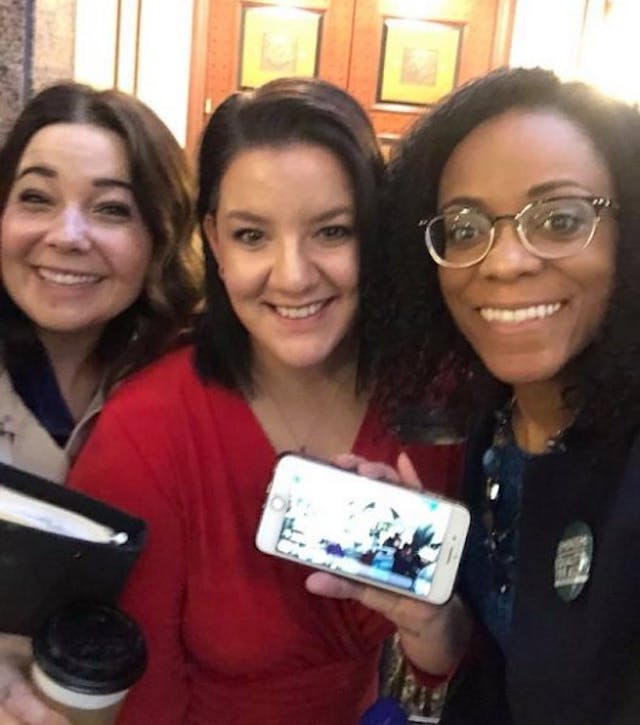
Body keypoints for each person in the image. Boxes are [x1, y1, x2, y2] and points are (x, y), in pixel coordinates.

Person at [68, 77, 468, 725]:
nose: (293, 274)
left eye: (332, 231)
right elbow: (136, 701)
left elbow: (443, 659)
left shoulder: (431, 399)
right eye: (253, 235)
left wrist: (432, 622)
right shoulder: (149, 430)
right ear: (215, 242)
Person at [379, 66, 640, 724]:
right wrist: (436, 619)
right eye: (465, 229)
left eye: (558, 219)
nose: (503, 261)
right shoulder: (491, 426)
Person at [0, 82, 202, 723]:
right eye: (36, 198)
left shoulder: (192, 387)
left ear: (160, 235)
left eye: (111, 209)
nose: (67, 235)